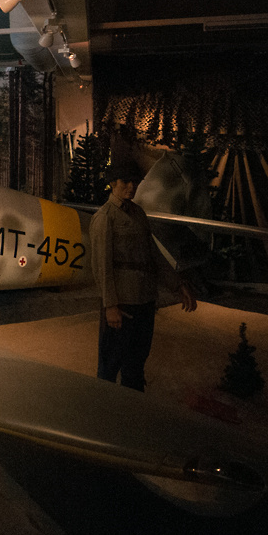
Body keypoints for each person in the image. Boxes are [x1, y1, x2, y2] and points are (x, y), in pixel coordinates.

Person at [90, 161, 196, 390]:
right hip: (123, 303)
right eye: (126, 181)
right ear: (113, 183)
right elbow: (102, 266)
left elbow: (154, 255)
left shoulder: (138, 214)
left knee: (136, 363)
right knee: (110, 364)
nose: (132, 186)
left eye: (135, 182)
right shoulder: (105, 217)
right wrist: (110, 306)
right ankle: (102, 413)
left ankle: (134, 410)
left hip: (144, 301)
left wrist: (178, 285)